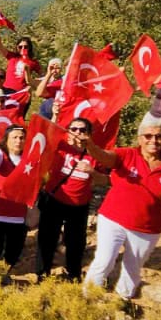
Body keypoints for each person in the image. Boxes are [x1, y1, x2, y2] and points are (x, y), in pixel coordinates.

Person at [75, 116, 161, 299]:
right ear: (140, 139)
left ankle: (124, 300)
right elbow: (104, 156)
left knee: (133, 267)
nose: (153, 140)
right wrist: (90, 146)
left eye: (159, 136)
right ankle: (87, 300)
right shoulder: (127, 155)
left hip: (147, 228)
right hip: (113, 219)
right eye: (148, 136)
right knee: (104, 261)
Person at [36, 117, 100, 281]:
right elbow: (46, 137)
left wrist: (92, 172)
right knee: (47, 239)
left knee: (76, 242)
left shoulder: (95, 154)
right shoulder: (60, 147)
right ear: (68, 131)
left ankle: (73, 275)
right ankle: (43, 273)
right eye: (74, 129)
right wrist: (56, 116)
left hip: (79, 205)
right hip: (55, 200)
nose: (78, 132)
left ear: (89, 134)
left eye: (82, 130)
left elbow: (104, 180)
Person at [0, 125, 30, 270]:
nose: (18, 141)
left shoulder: (29, 159)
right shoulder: (0, 154)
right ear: (7, 140)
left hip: (18, 214)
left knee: (14, 251)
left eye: (21, 138)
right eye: (14, 137)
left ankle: (5, 275)